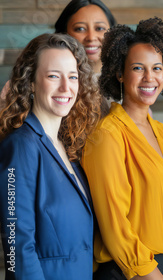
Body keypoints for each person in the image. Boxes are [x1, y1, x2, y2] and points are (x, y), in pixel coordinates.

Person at [81, 17, 163, 280]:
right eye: (138, 68)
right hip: (130, 273)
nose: (149, 77)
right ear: (120, 73)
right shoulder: (107, 136)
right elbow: (116, 229)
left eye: (157, 68)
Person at [0, 33, 101, 279]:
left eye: (73, 77)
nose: (66, 88)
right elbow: (17, 245)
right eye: (53, 76)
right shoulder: (20, 147)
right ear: (31, 83)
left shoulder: (68, 148)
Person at [55, 0, 116, 75]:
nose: (91, 37)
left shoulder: (126, 77)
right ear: (63, 34)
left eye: (99, 28)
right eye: (80, 29)